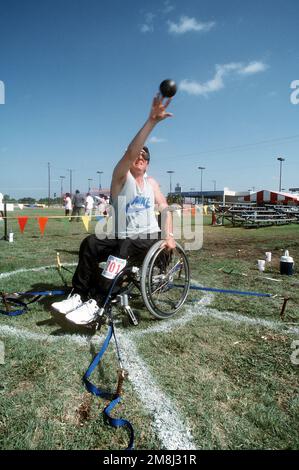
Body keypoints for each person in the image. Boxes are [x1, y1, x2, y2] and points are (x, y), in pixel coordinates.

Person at [52, 93, 175, 325]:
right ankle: (78, 293)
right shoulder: (121, 178)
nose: (140, 156)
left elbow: (166, 208)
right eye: (138, 154)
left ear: (148, 164)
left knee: (126, 245)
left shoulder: (151, 183)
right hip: (123, 237)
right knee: (90, 242)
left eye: (145, 156)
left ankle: (97, 302)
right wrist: (151, 122)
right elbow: (130, 152)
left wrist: (168, 235)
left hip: (147, 238)